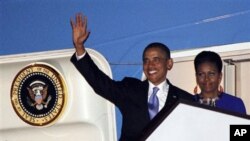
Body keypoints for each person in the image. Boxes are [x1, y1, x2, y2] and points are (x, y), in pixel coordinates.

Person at [70, 13, 194, 141]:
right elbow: (100, 83)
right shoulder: (130, 89)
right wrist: (79, 47)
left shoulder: (185, 99)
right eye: (146, 60)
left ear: (169, 63)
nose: (150, 65)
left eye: (156, 60)